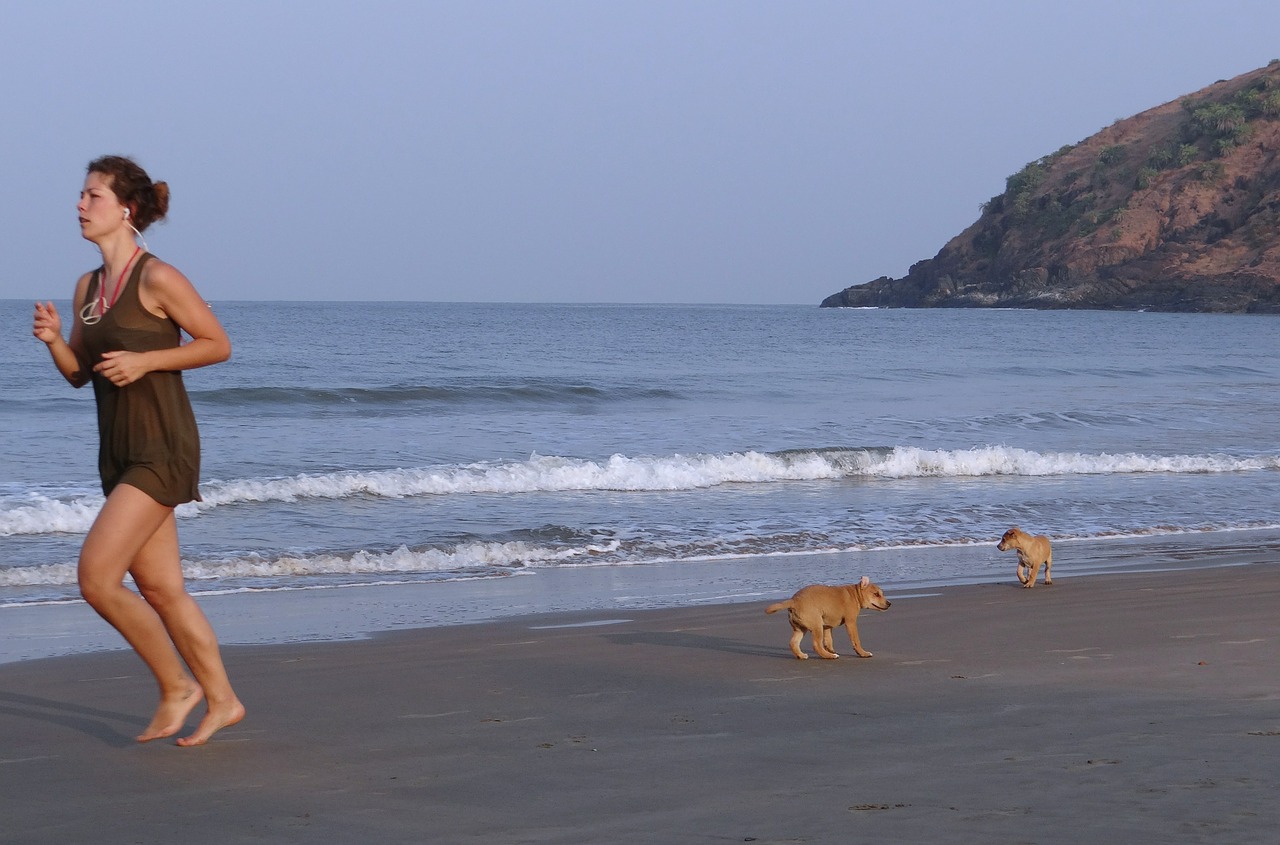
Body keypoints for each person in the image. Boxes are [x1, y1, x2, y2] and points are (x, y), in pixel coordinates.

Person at [32, 155, 245, 746]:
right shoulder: (87, 288)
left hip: (162, 447)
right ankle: (224, 701)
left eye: (92, 195)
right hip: (118, 452)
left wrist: (148, 358)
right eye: (80, 195)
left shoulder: (159, 278)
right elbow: (81, 375)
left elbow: (217, 344)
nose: (80, 204)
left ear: (125, 209)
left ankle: (179, 687)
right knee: (161, 589)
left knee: (97, 579)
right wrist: (54, 342)